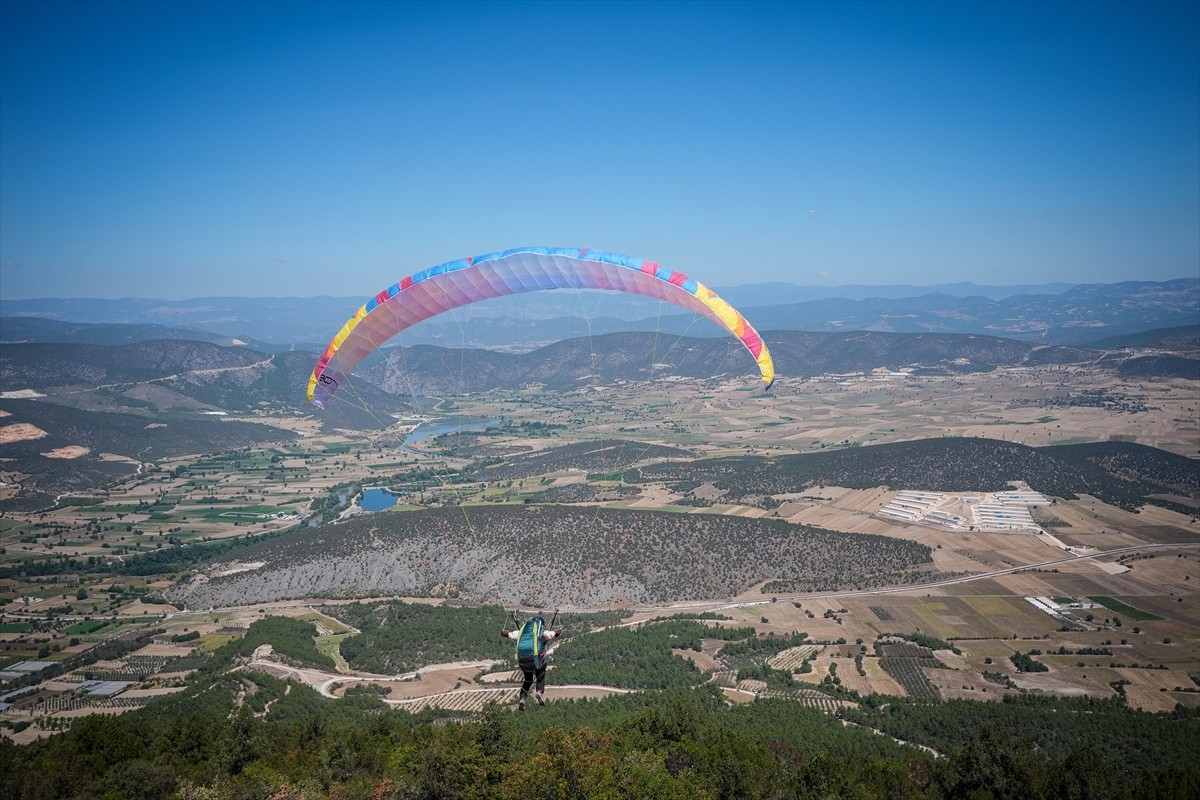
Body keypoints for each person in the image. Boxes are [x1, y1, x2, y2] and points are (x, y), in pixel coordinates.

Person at [500, 614, 562, 710]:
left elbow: (509, 635)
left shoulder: (522, 632)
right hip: (536, 661)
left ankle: (522, 699)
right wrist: (558, 632)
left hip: (523, 661)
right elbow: (553, 635)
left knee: (528, 679)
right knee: (540, 675)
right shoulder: (542, 632)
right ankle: (539, 692)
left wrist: (505, 633)